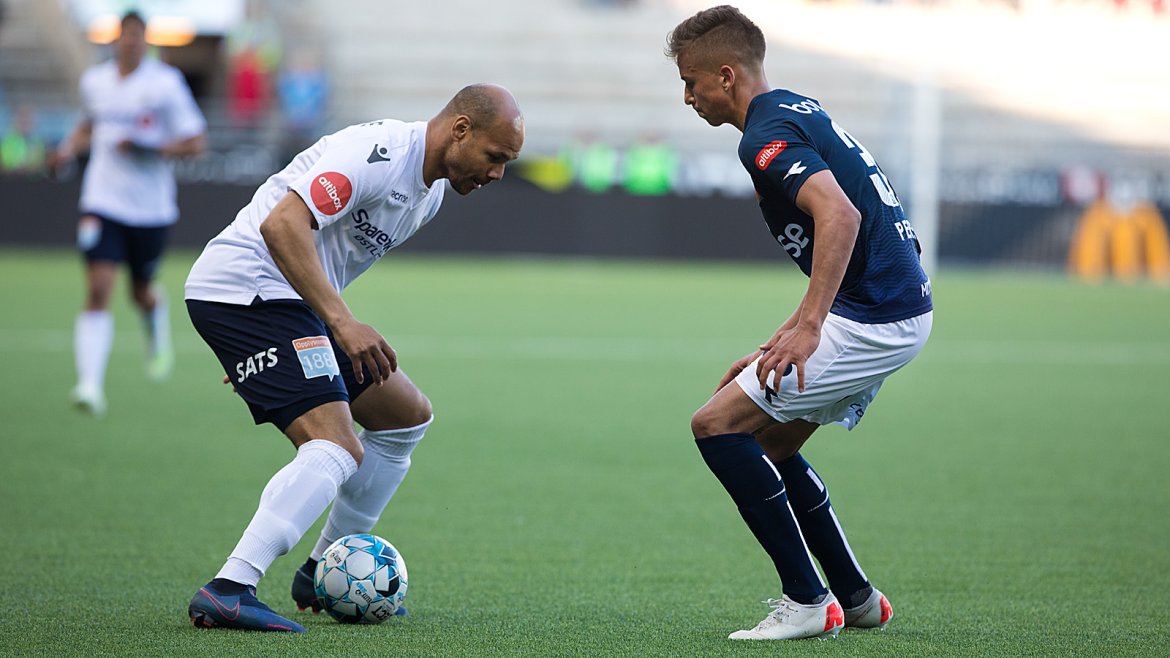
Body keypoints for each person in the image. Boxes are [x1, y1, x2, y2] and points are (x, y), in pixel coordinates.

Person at [183, 83, 524, 632]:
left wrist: (286, 341)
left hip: (283, 308)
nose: (496, 174)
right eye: (494, 157)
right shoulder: (380, 154)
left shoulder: (429, 194)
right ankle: (230, 588)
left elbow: (328, 258)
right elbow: (281, 225)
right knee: (335, 444)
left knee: (404, 416)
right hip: (247, 288)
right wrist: (333, 324)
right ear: (460, 129)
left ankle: (320, 570)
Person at [667, 6, 933, 641]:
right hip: (891, 309)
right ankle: (859, 598)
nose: (687, 97)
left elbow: (840, 216)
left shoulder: (761, 138)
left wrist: (812, 327)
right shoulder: (797, 107)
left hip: (871, 317)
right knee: (770, 443)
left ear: (726, 76)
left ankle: (806, 600)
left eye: (691, 81)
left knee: (714, 425)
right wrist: (788, 333)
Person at [54, 10, 207, 416]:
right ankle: (89, 385)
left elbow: (195, 143)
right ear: (116, 40)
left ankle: (155, 320)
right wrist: (68, 151)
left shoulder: (165, 85)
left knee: (140, 292)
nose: (131, 43)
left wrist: (150, 148)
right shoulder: (96, 82)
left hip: (150, 208)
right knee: (98, 287)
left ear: (146, 41)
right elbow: (89, 124)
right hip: (101, 202)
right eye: (126, 36)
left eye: (139, 37)